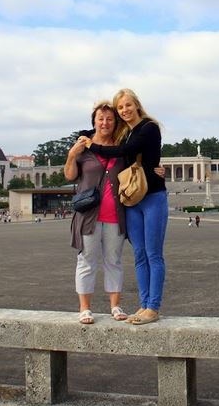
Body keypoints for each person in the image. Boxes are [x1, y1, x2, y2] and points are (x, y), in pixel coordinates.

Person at [84, 88, 167, 325]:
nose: (124, 110)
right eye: (120, 107)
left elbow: (124, 152)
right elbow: (103, 134)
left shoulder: (149, 128)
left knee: (153, 254)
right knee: (139, 254)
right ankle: (144, 304)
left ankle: (153, 306)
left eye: (128, 105)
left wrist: (91, 146)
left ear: (137, 105)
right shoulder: (126, 133)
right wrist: (84, 136)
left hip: (152, 197)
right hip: (132, 201)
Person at [65, 101, 130, 325]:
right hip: (89, 216)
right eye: (101, 119)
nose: (105, 123)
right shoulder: (83, 146)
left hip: (115, 215)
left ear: (115, 122)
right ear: (94, 121)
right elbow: (70, 175)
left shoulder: (121, 147)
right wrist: (72, 155)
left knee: (114, 261)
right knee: (86, 261)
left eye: (110, 119)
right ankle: (85, 308)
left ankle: (115, 305)